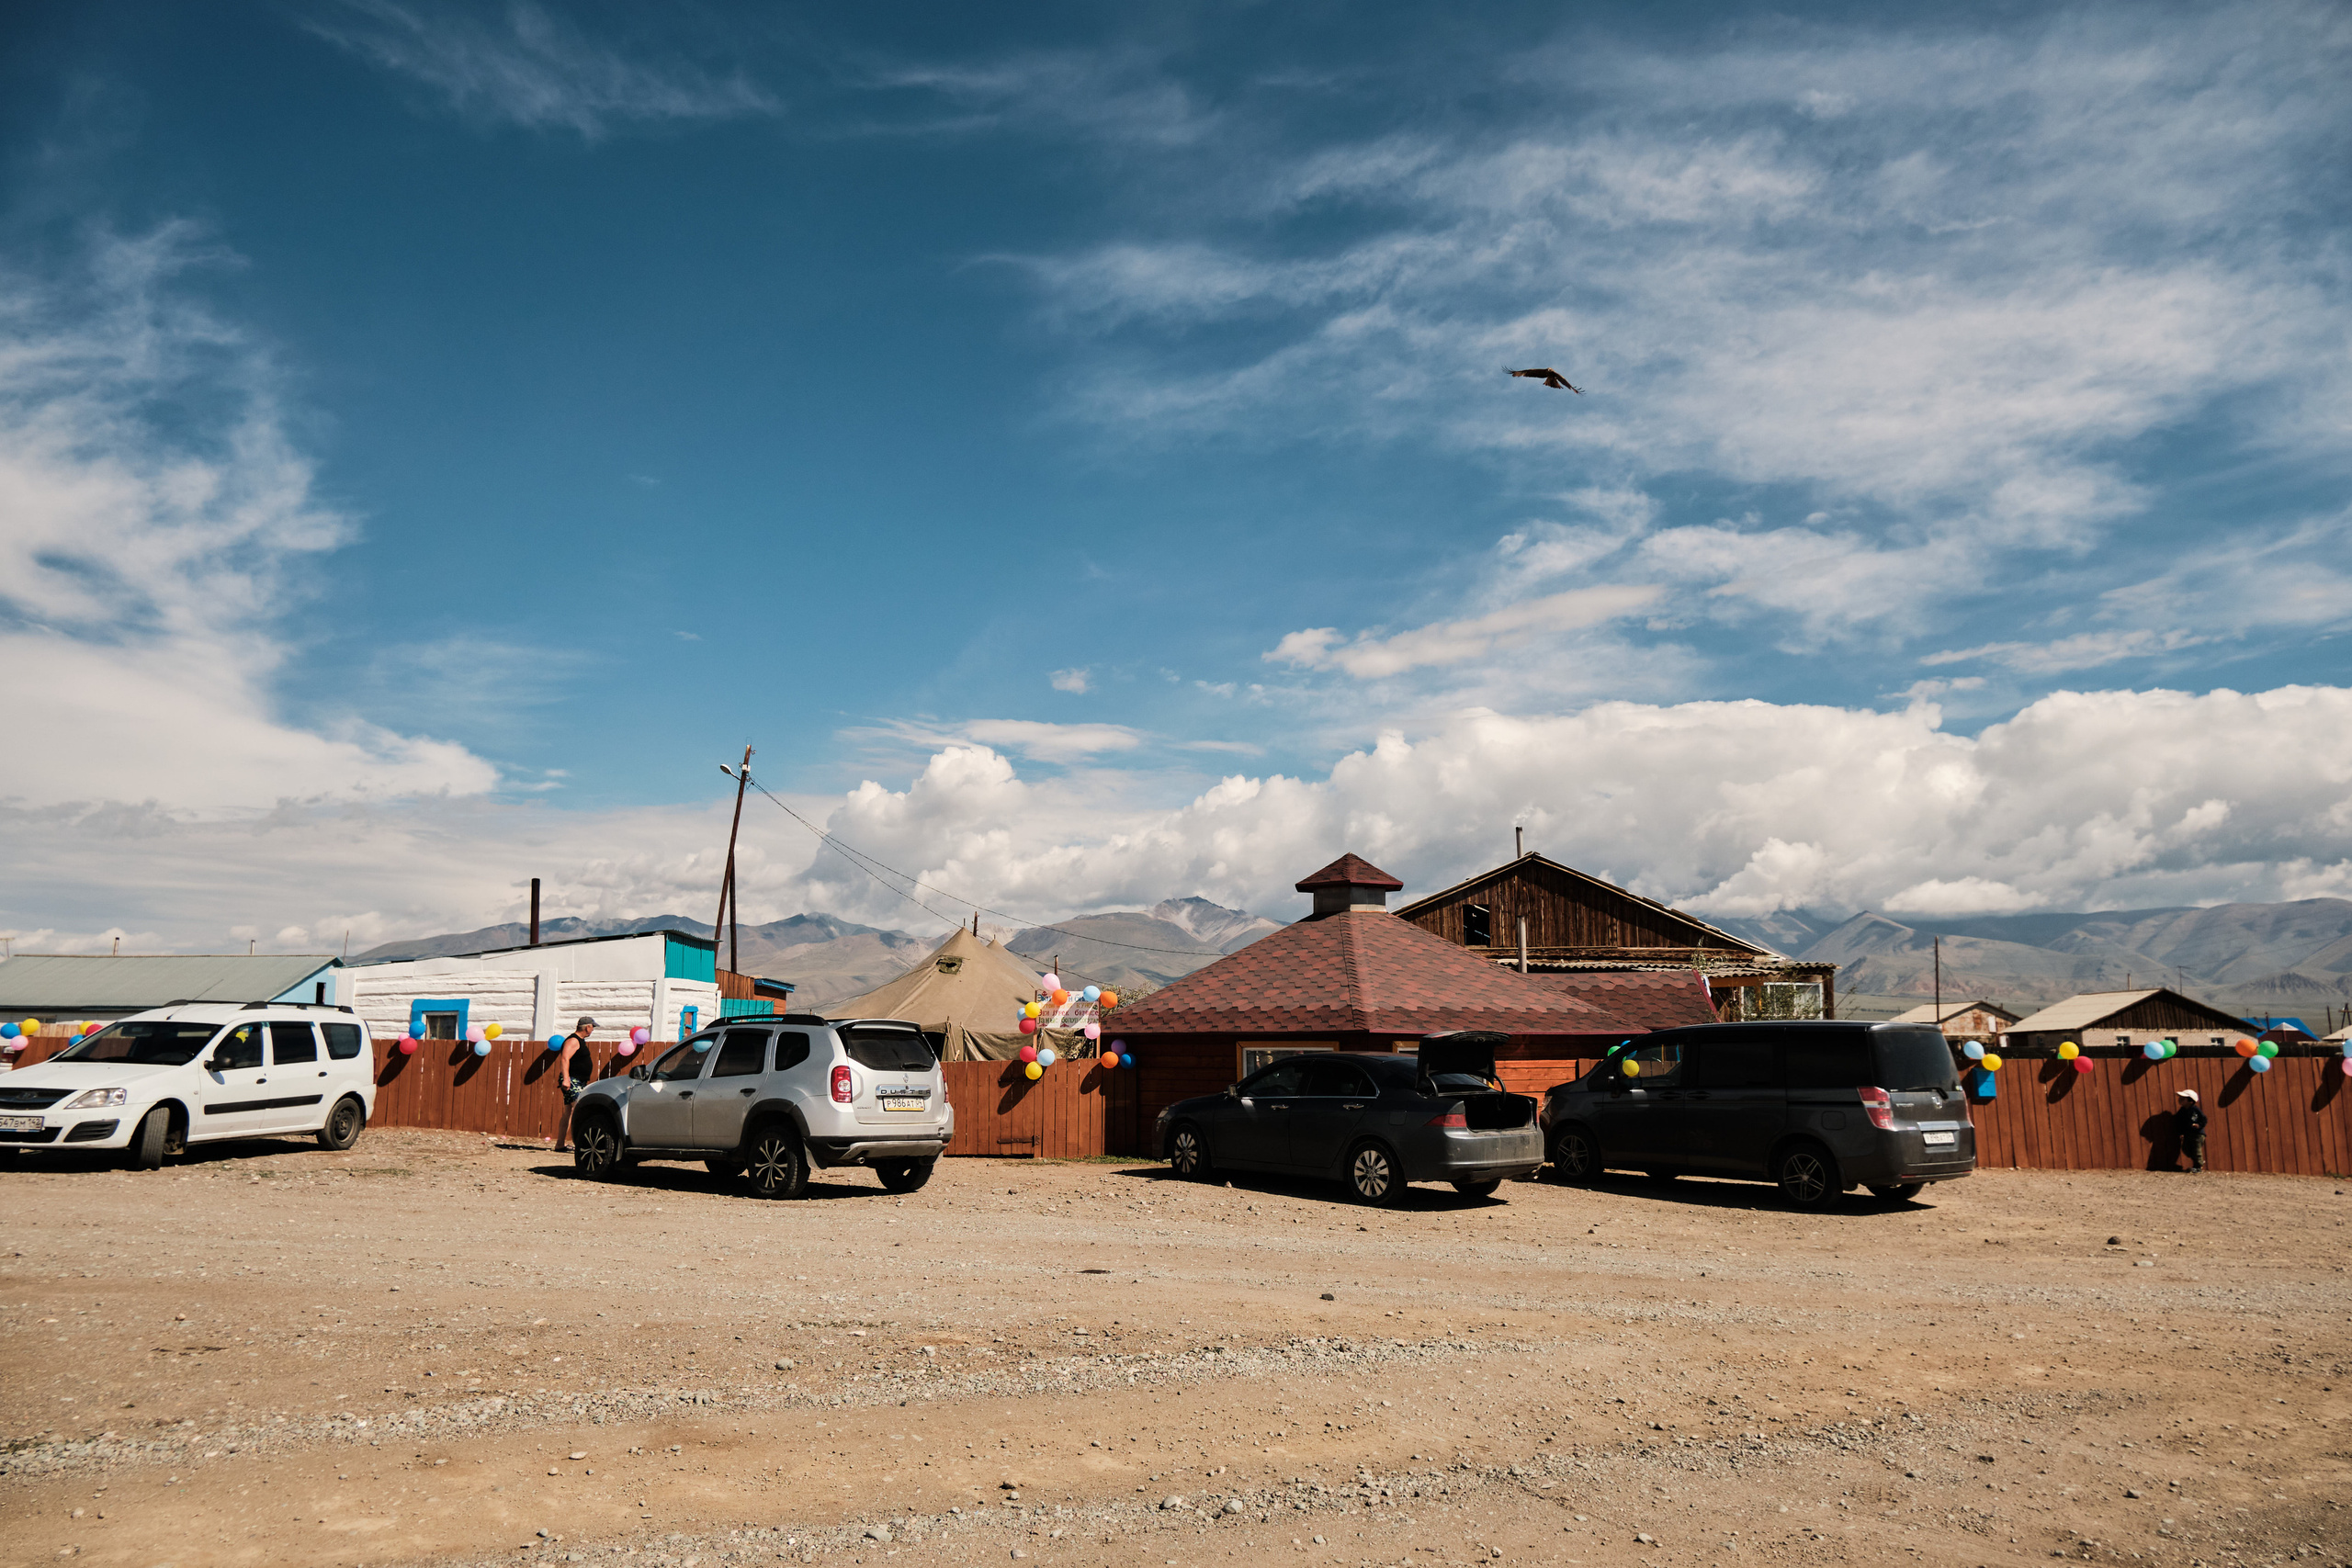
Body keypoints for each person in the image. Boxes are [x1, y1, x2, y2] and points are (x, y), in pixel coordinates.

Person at [552, 1016, 597, 1151]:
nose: (593, 1030)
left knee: (569, 1112)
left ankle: (560, 1144)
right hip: (572, 1080)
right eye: (592, 1027)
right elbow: (565, 1059)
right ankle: (582, 1144)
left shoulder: (580, 1041)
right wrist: (566, 1079)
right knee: (581, 1108)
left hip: (578, 1081)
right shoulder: (573, 1040)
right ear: (587, 1027)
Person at [2175, 1089, 2207, 1173]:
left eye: (2183, 1098)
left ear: (2191, 1101)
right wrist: (2181, 1132)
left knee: (2196, 1149)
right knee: (2186, 1149)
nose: (2180, 1099)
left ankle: (2198, 1166)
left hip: (2197, 1134)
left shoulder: (2195, 1110)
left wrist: (2199, 1125)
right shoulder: (2182, 1111)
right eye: (2180, 1098)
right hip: (2188, 1134)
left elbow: (2204, 1119)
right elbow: (2179, 1122)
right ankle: (2197, 1162)